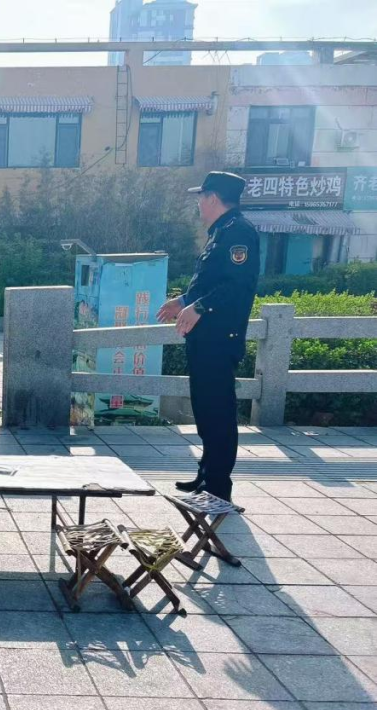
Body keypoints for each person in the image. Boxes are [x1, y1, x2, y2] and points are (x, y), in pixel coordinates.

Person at [156, 171, 259, 501]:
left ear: (213, 198)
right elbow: (213, 282)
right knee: (205, 407)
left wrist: (200, 307)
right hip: (206, 337)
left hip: (219, 337)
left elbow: (237, 286)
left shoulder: (239, 233)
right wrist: (183, 301)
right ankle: (206, 475)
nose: (198, 204)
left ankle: (218, 487)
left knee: (218, 410)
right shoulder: (221, 232)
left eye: (201, 197)